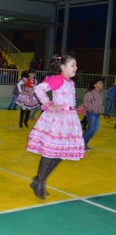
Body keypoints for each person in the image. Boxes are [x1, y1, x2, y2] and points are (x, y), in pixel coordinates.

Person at [27, 55, 85, 200]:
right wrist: (49, 104)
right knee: (50, 153)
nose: (75, 68)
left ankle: (39, 180)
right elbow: (39, 89)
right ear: (62, 67)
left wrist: (76, 109)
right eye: (73, 65)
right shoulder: (57, 79)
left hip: (69, 121)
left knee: (61, 154)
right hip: (57, 120)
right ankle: (39, 181)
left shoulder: (71, 82)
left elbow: (67, 99)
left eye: (75, 65)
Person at [82, 77, 105, 150]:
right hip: (91, 113)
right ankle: (81, 144)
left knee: (95, 129)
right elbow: (86, 103)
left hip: (97, 114)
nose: (102, 84)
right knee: (91, 129)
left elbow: (99, 104)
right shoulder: (90, 93)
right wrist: (95, 109)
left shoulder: (101, 93)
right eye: (100, 83)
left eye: (102, 83)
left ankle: (84, 144)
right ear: (95, 85)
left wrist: (101, 108)